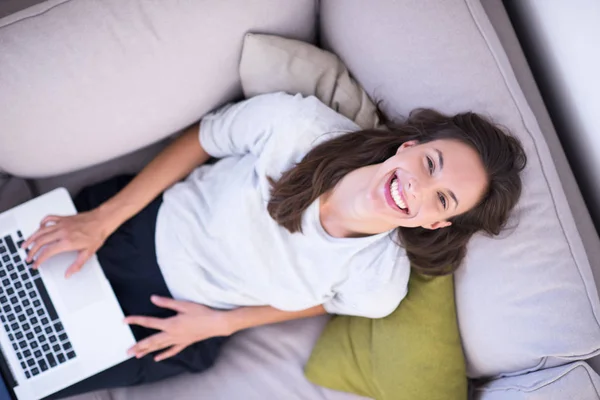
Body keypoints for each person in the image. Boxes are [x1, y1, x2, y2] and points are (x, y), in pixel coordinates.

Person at [23, 92, 526, 398]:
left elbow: (321, 300)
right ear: (410, 145)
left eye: (442, 199)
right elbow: (205, 137)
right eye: (431, 164)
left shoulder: (380, 283)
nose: (418, 187)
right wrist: (102, 220)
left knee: (24, 378)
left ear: (438, 224)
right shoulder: (301, 128)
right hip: (136, 231)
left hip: (181, 320)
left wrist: (221, 322)